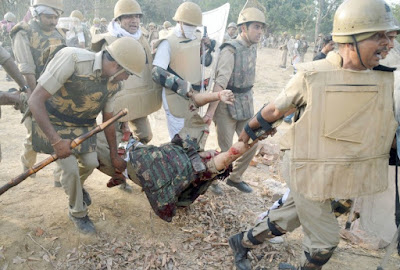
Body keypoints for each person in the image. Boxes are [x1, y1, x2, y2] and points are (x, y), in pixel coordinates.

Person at [228, 1, 399, 269]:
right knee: (325, 242)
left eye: (390, 36)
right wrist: (248, 134)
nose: (388, 44)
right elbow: (274, 109)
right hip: (306, 165)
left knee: (287, 216)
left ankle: (242, 242)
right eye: (379, 35)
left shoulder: (381, 79)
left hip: (340, 167)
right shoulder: (314, 75)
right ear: (349, 38)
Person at [28, 37, 146, 234]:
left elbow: (108, 119)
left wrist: (114, 156)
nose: (127, 79)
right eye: (128, 73)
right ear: (117, 65)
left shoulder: (114, 84)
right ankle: (77, 212)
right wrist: (56, 141)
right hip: (52, 121)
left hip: (82, 125)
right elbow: (35, 100)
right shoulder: (73, 60)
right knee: (71, 168)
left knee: (91, 162)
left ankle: (75, 188)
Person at [91, 0, 162, 191]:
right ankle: (120, 177)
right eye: (129, 16)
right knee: (115, 144)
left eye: (137, 16)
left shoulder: (143, 40)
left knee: (145, 136)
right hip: (115, 103)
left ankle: (136, 166)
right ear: (119, 19)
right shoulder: (108, 42)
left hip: (138, 101)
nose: (134, 20)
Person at [204, 5, 266, 195]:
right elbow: (220, 83)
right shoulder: (230, 50)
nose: (260, 31)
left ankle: (235, 178)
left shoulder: (252, 47)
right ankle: (211, 179)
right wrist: (210, 112)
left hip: (246, 102)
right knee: (227, 149)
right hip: (226, 105)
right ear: (243, 28)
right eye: (256, 26)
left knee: (252, 142)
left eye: (261, 27)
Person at [152, 2, 226, 151]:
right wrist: (183, 86)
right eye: (187, 24)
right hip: (176, 97)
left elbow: (206, 62)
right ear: (179, 22)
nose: (191, 28)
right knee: (178, 138)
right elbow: (156, 72)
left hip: (195, 97)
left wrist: (209, 47)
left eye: (194, 25)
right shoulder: (168, 42)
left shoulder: (197, 38)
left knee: (193, 132)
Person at [11, 0, 66, 180]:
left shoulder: (59, 32)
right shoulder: (24, 32)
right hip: (32, 90)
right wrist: (36, 98)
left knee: (61, 131)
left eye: (56, 17)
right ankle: (27, 166)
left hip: (57, 91)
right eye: (49, 17)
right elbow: (26, 68)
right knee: (34, 131)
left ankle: (59, 175)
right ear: (36, 14)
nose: (53, 21)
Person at [1, 12, 16, 81]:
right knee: (10, 62)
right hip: (11, 45)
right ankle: (8, 76)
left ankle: (8, 76)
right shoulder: (13, 25)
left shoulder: (2, 25)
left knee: (6, 61)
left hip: (4, 45)